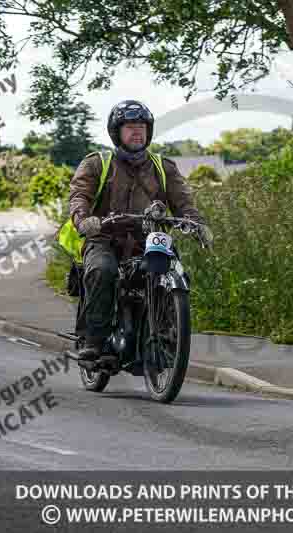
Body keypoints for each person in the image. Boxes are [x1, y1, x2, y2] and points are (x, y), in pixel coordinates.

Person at [68, 100, 211, 361]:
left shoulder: (163, 167)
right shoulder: (97, 163)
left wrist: (196, 223)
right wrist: (84, 219)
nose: (137, 132)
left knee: (176, 271)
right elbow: (79, 196)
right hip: (104, 238)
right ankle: (94, 340)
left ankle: (167, 335)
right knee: (102, 270)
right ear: (116, 132)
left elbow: (184, 202)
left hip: (149, 238)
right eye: (130, 127)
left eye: (142, 127)